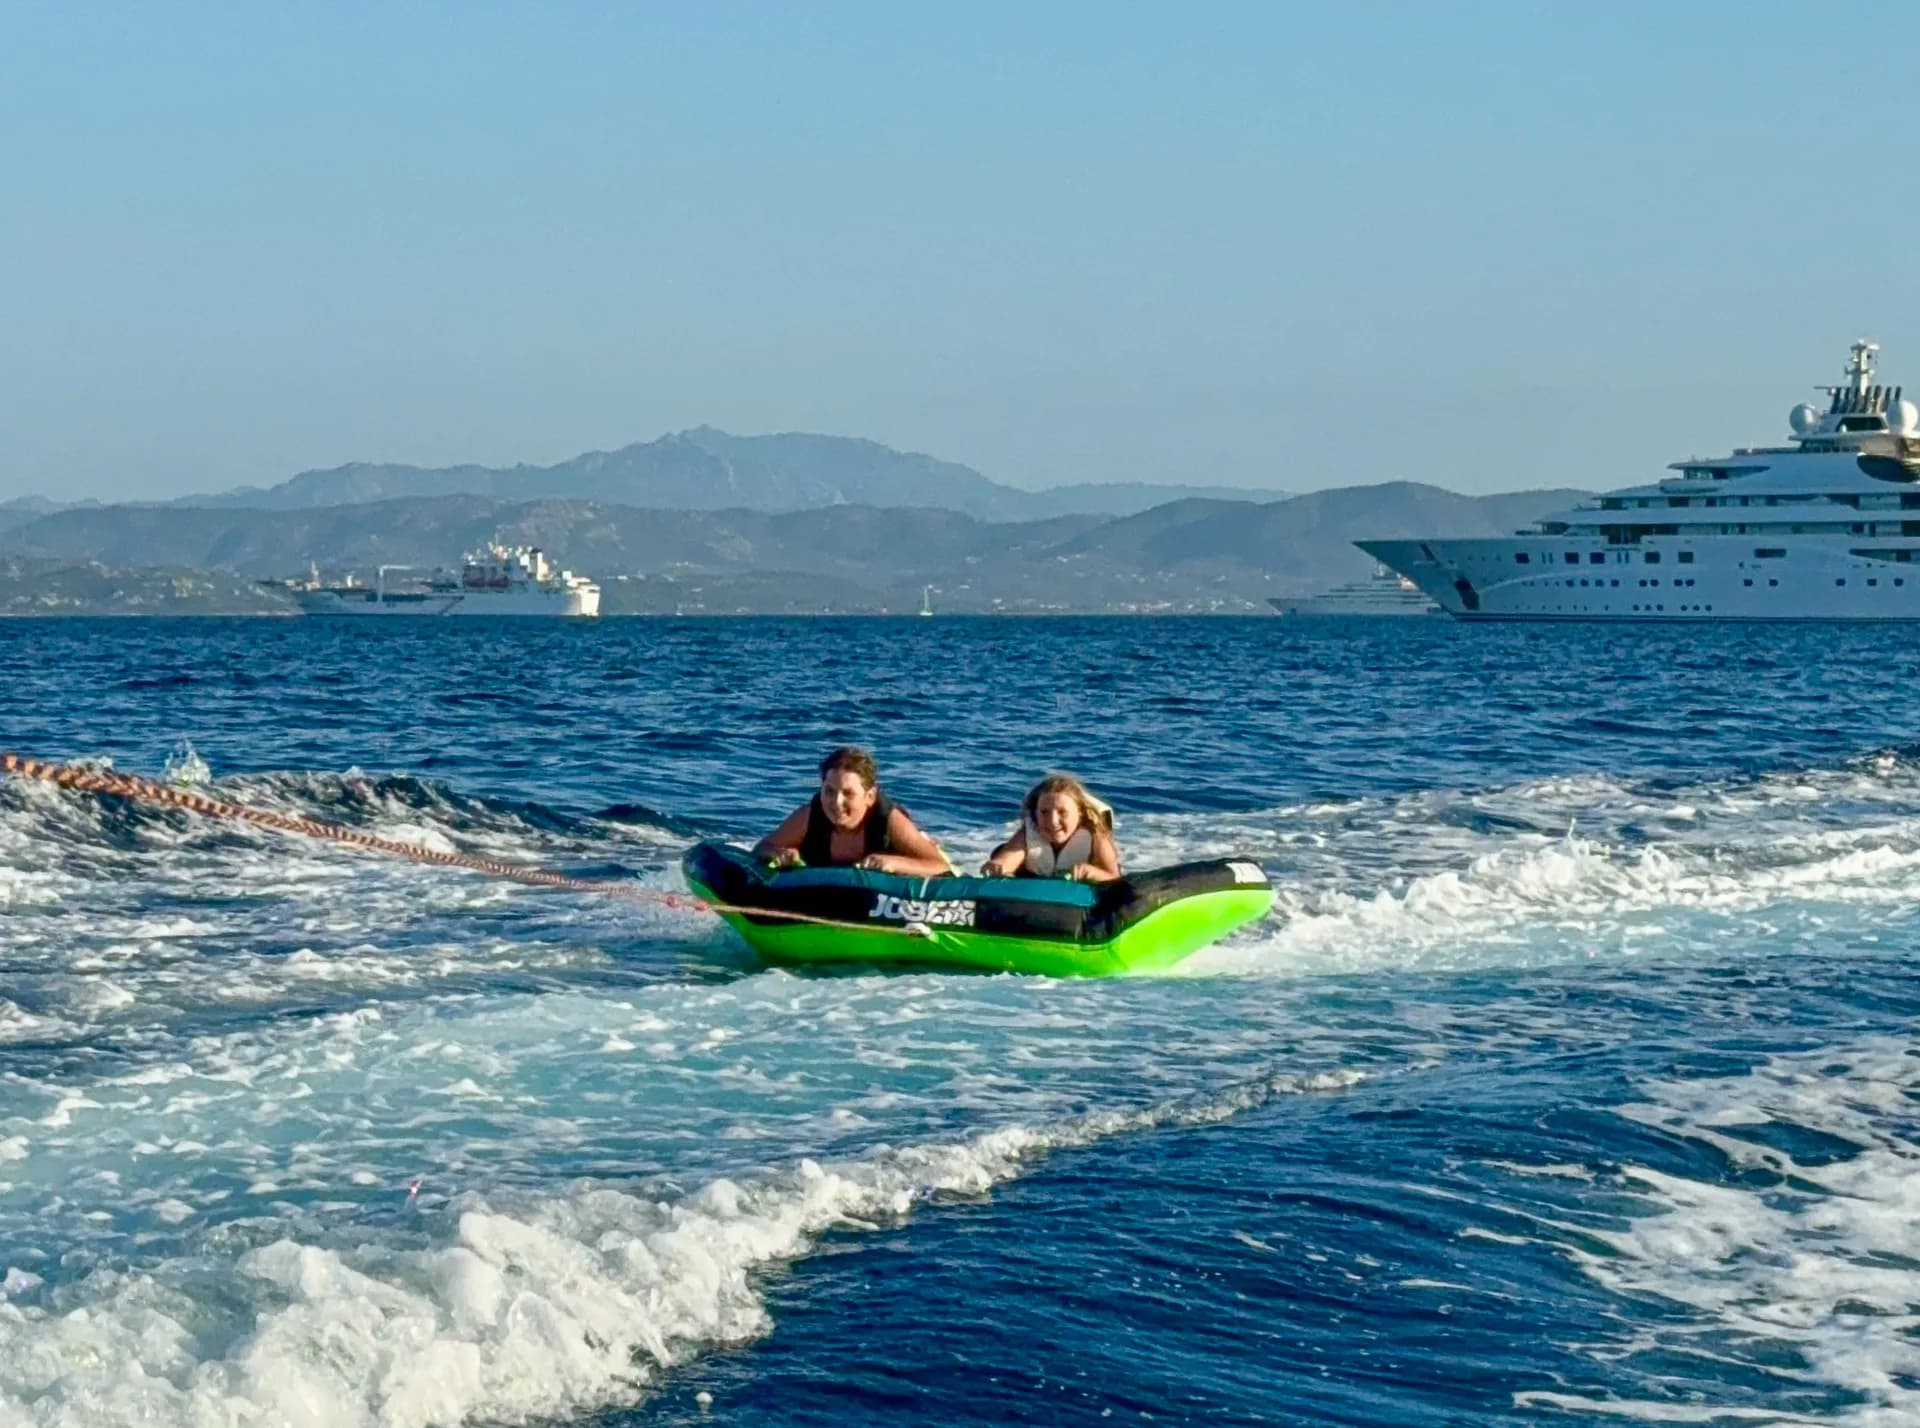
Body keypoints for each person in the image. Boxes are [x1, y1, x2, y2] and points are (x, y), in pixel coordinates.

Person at [755, 747, 953, 876]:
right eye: (829, 791)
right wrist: (780, 853)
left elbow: (940, 867)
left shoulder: (890, 821)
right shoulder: (808, 816)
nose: (836, 802)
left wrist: (894, 863)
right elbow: (762, 847)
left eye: (848, 793)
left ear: (870, 796)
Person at [982, 773, 1122, 882]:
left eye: (1062, 812)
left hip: (1079, 903)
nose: (1053, 821)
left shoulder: (1096, 834)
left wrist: (1093, 873)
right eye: (1044, 812)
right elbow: (1008, 860)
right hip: (1034, 894)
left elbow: (1114, 878)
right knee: (999, 851)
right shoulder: (1029, 832)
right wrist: (997, 866)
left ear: (1079, 813)